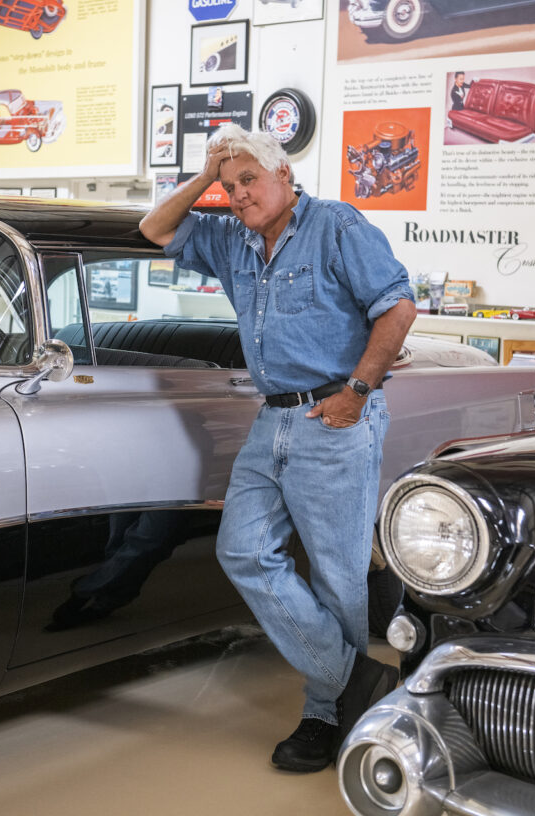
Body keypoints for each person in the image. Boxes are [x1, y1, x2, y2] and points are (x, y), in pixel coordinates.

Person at [140, 125, 416, 773]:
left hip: (334, 415)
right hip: (272, 419)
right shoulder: (230, 240)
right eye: (229, 186)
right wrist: (207, 175)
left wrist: (355, 391)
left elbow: (397, 307)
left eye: (249, 182)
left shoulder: (335, 226)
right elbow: (155, 228)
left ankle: (325, 713)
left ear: (285, 177)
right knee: (240, 549)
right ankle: (355, 683)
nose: (238, 196)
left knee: (338, 574)